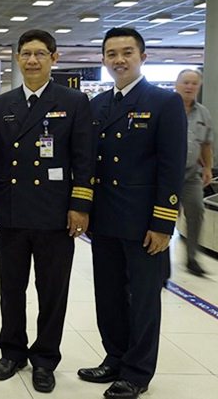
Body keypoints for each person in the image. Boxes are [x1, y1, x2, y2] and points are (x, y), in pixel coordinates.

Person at [0, 29, 94, 393]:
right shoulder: (3, 104)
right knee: (11, 288)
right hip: (11, 212)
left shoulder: (73, 102)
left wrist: (80, 205)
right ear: (17, 58)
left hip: (55, 214)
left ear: (54, 59)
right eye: (26, 53)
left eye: (40, 54)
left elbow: (84, 159)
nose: (32, 60)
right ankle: (12, 350)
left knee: (52, 291)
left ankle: (45, 358)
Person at [78, 27, 186, 399]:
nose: (119, 60)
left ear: (143, 57)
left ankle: (137, 372)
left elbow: (171, 168)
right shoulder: (96, 105)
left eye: (127, 52)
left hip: (142, 221)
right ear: (104, 60)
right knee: (107, 294)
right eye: (112, 53)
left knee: (142, 299)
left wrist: (163, 223)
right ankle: (115, 357)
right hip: (104, 219)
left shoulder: (163, 102)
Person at [175, 69, 213, 276]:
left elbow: (206, 143)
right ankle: (159, 263)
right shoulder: (166, 108)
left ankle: (192, 257)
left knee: (196, 211)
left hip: (191, 175)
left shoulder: (203, 113)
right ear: (177, 84)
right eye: (186, 82)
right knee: (164, 217)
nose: (189, 87)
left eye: (194, 83)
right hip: (166, 175)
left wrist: (207, 167)